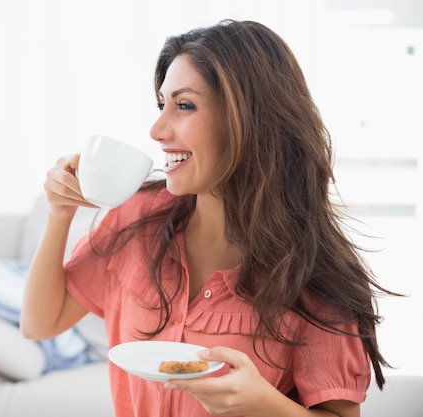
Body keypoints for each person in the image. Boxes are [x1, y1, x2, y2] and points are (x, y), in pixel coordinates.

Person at [20, 19, 396, 417]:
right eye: (161, 105)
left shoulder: (313, 274)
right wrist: (60, 213)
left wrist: (263, 404)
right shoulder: (136, 217)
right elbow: (39, 324)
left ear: (248, 119)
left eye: (184, 106)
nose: (157, 129)